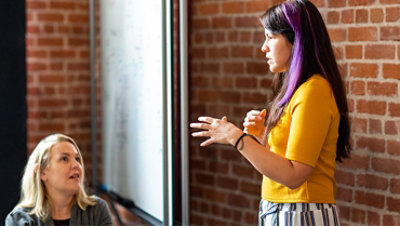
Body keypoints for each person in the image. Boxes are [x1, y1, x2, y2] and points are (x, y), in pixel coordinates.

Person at [190, 0, 351, 225]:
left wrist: (236, 137)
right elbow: (289, 158)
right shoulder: (300, 89)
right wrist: (262, 137)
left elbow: (293, 176)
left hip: (300, 211)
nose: (263, 47)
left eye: (270, 37)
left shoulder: (314, 90)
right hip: (284, 209)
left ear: (296, 40)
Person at [5, 133, 113, 226]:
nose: (76, 165)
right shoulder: (19, 219)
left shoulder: (97, 210)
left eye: (77, 159)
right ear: (42, 172)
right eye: (64, 159)